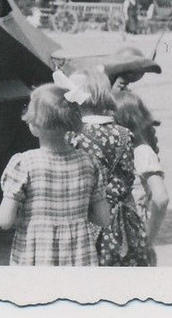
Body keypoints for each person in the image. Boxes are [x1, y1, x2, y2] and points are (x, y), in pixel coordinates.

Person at [0, 83, 110, 266]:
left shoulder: (23, 164)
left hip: (36, 255)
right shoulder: (89, 162)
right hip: (79, 257)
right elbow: (103, 219)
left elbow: (4, 221)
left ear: (34, 123)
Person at [62, 66, 152, 266]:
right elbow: (128, 175)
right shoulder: (123, 134)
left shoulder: (74, 136)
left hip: (87, 218)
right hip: (124, 218)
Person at [112, 88, 168, 265]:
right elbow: (160, 200)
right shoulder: (143, 151)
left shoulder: (135, 153)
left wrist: (148, 239)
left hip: (120, 234)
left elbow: (161, 198)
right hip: (135, 233)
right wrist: (148, 239)